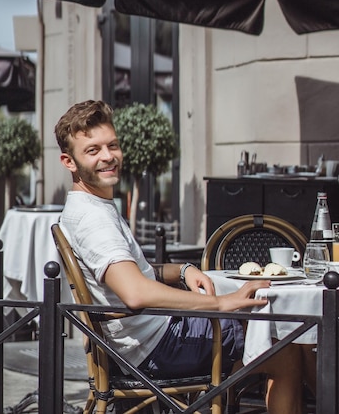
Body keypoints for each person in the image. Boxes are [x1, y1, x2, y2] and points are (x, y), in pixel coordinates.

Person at [55, 100, 315, 414]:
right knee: (285, 347)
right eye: (93, 150)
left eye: (112, 145)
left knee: (282, 335)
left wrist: (182, 270)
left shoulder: (88, 207)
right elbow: (135, 292)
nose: (108, 156)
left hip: (146, 341)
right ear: (69, 162)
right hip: (158, 348)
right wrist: (221, 303)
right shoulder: (95, 220)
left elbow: (134, 273)